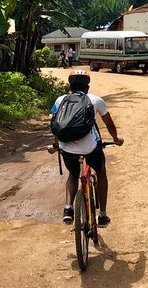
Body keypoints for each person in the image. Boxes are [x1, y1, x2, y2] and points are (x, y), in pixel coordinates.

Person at [48, 70, 124, 226]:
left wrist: (56, 145)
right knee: (101, 173)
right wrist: (116, 139)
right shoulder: (96, 100)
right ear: (87, 86)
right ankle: (102, 215)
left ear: (70, 86)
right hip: (90, 148)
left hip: (67, 148)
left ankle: (68, 208)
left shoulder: (60, 100)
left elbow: (55, 126)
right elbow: (109, 124)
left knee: (73, 174)